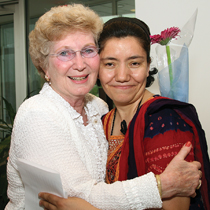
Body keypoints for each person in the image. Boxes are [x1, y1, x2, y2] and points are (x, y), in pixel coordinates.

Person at [6, 5, 202, 210]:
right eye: (65, 53)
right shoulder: (37, 113)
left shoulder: (98, 108)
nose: (80, 64)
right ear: (44, 66)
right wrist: (162, 185)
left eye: (88, 50)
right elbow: (79, 194)